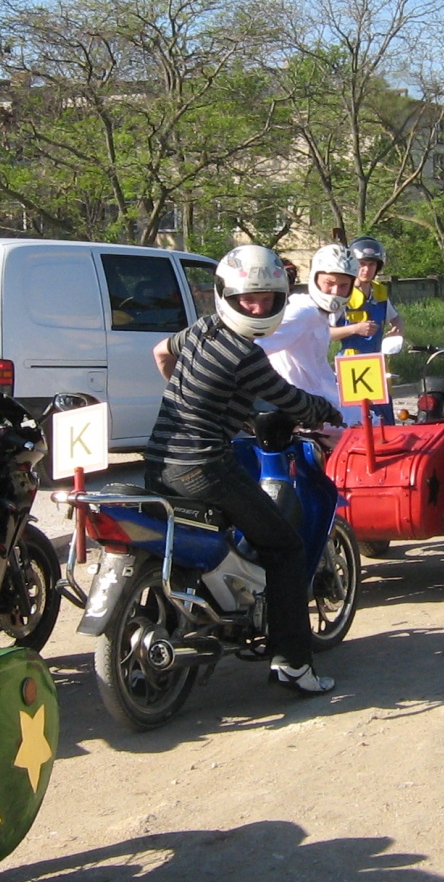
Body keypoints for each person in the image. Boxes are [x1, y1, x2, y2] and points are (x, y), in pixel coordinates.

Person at [146, 244, 345, 696]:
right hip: (204, 468)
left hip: (159, 462)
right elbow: (289, 399)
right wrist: (325, 411)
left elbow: (162, 353)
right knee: (286, 547)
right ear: (227, 296)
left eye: (267, 299)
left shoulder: (202, 330)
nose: (257, 307)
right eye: (247, 299)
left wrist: (192, 400)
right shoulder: (245, 354)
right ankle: (293, 662)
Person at [258, 243, 359, 407]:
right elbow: (255, 349)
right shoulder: (303, 312)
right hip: (302, 414)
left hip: (318, 404)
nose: (335, 292)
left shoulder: (320, 314)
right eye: (329, 283)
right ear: (315, 278)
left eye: (343, 286)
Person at [334, 236, 403, 424]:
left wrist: (398, 329)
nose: (366, 269)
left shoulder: (379, 291)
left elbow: (396, 317)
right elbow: (326, 332)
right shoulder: (342, 295)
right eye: (361, 264)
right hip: (351, 365)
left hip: (377, 362)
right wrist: (355, 328)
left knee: (384, 417)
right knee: (359, 420)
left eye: (371, 265)